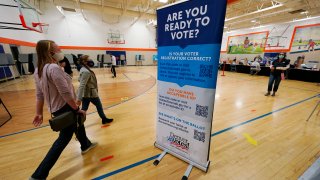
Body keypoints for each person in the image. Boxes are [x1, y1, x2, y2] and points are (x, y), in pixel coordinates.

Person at [30, 40, 97, 180]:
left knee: (78, 124)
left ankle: (85, 144)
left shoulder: (38, 70)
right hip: (65, 107)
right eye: (58, 49)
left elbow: (39, 94)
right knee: (63, 139)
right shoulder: (54, 68)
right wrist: (76, 108)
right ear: (51, 53)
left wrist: (39, 113)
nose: (61, 51)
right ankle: (39, 175)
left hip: (55, 108)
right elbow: (65, 93)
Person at [77, 55, 113, 124]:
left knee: (84, 109)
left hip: (86, 93)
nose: (90, 60)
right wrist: (79, 99)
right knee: (99, 106)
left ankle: (78, 122)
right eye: (89, 59)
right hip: (91, 93)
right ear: (84, 62)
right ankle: (104, 119)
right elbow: (82, 85)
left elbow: (79, 79)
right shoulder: (86, 71)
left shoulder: (83, 69)